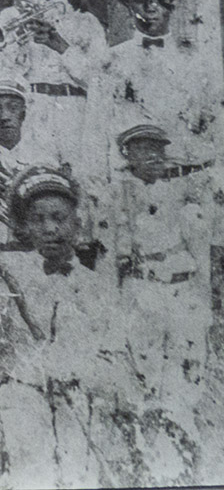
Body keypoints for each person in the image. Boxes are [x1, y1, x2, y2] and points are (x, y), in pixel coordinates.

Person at [0, 166, 122, 489]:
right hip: (22, 398)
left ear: (77, 224)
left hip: (77, 399)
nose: (50, 228)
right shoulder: (10, 272)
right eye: (38, 220)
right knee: (32, 472)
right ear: (25, 227)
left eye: (59, 218)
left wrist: (78, 373)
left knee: (80, 475)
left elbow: (110, 356)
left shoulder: (96, 287)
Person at [98, 122, 217, 480]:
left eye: (157, 148)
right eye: (141, 149)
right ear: (127, 155)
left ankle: (184, 462)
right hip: (141, 291)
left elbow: (200, 255)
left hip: (181, 294)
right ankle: (146, 462)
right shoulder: (116, 195)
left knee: (184, 382)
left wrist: (203, 308)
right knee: (143, 380)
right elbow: (109, 261)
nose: (151, 155)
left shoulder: (184, 196)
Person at [92, 0, 220, 162]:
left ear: (171, 4)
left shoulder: (197, 60)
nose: (150, 7)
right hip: (133, 183)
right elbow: (96, 132)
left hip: (191, 178)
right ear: (128, 6)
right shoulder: (111, 61)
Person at [0, 0, 104, 164]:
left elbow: (98, 81)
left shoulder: (87, 22)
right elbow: (2, 74)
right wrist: (20, 46)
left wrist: (62, 47)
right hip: (31, 111)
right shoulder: (10, 17)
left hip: (74, 113)